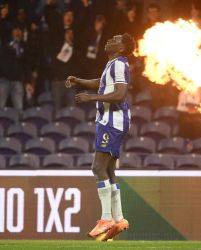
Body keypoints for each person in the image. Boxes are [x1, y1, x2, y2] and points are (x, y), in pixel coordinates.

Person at [65, 33, 135, 240]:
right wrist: (80, 81)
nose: (110, 40)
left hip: (113, 120)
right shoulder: (113, 64)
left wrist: (90, 98)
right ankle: (119, 218)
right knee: (109, 169)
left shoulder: (120, 64)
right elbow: (102, 83)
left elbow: (120, 94)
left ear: (122, 48)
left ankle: (106, 219)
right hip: (109, 119)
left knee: (97, 167)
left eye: (116, 40)